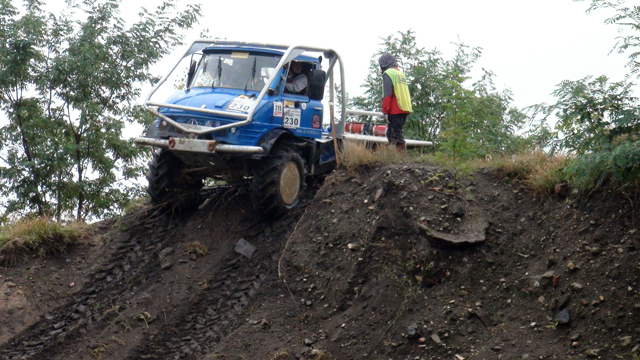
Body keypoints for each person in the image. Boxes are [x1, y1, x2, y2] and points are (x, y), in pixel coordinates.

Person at [378, 53, 412, 152]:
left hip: (395, 108)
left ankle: (402, 156)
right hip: (405, 107)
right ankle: (395, 155)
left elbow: (387, 95)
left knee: (396, 134)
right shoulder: (400, 73)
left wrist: (385, 111)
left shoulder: (388, 73)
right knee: (391, 134)